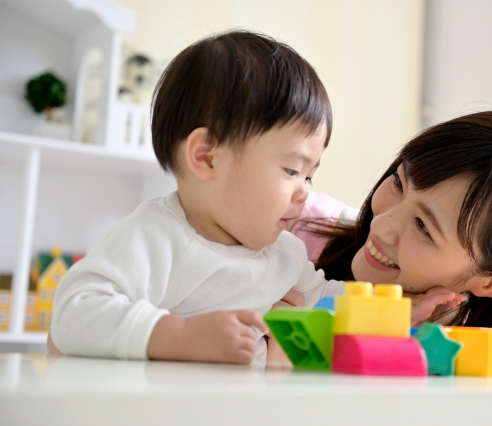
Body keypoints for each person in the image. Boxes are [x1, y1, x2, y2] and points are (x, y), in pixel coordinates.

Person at [48, 30, 346, 364]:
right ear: (206, 157)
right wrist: (179, 336)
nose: (305, 191)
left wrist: (407, 306)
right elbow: (74, 312)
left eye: (309, 175)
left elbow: (332, 300)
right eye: (292, 170)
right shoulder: (157, 237)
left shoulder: (286, 255)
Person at [293, 110, 492, 368]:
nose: (383, 224)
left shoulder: (462, 363)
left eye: (424, 227)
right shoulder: (290, 224)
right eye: (399, 182)